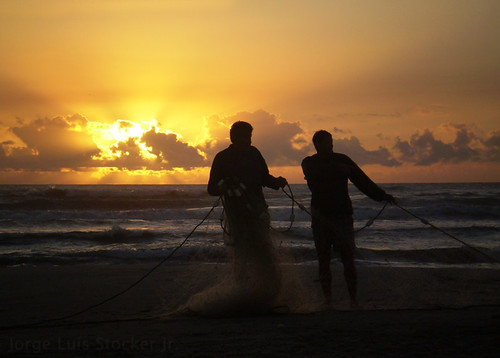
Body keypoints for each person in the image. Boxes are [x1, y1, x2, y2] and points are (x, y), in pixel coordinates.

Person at [301, 130, 395, 308]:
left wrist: (381, 195)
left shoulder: (343, 159)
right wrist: (338, 169)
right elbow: (314, 174)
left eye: (331, 142)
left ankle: (353, 299)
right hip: (321, 216)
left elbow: (361, 180)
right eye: (327, 143)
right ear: (317, 144)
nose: (331, 146)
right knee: (323, 258)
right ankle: (327, 300)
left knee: (348, 258)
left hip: (343, 214)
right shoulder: (309, 162)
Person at [203, 121, 287, 314]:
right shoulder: (222, 158)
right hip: (237, 217)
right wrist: (226, 183)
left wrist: (277, 182)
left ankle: (266, 295)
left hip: (258, 213)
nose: (246, 141)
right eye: (241, 137)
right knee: (241, 255)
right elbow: (211, 189)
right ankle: (243, 294)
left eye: (248, 137)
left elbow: (264, 178)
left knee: (264, 252)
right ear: (232, 138)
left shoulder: (255, 154)